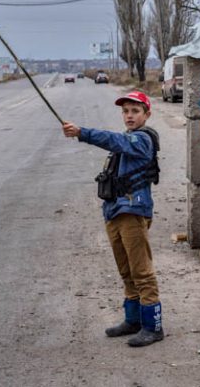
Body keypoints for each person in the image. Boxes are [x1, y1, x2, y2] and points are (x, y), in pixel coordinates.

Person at [62, 91, 164, 347]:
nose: (129, 116)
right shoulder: (129, 137)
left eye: (135, 111)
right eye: (125, 111)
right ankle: (133, 320)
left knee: (141, 271)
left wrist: (82, 132)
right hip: (116, 211)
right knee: (126, 270)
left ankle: (153, 326)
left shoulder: (142, 139)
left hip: (133, 212)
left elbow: (113, 140)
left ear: (146, 115)